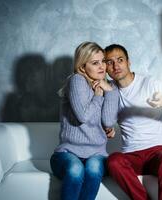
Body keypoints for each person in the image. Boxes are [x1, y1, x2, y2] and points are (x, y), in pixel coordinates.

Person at [104, 44, 162, 200]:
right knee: (113, 161)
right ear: (106, 68)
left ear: (128, 62)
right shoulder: (110, 91)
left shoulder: (149, 83)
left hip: (157, 152)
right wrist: (106, 129)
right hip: (131, 155)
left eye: (120, 60)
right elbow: (103, 118)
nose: (116, 65)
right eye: (109, 62)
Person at [50, 42, 119, 200]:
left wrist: (109, 91)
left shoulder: (107, 86)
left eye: (103, 61)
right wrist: (98, 96)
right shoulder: (76, 80)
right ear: (82, 67)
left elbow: (108, 122)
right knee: (75, 170)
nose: (102, 66)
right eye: (95, 63)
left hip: (97, 153)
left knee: (94, 169)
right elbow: (83, 117)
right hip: (68, 153)